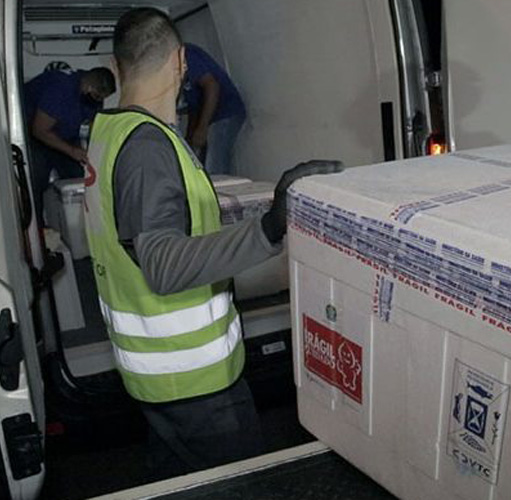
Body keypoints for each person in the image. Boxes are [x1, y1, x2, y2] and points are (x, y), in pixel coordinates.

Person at [84, 8, 342, 477]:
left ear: (116, 67)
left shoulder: (109, 133)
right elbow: (163, 265)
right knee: (240, 483)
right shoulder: (146, 147)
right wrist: (269, 227)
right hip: (193, 380)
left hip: (158, 373)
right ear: (181, 61)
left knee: (178, 480)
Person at [24, 66, 115, 223]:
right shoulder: (61, 89)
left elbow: (92, 125)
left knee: (80, 178)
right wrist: (72, 151)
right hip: (35, 136)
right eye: (97, 96)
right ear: (89, 87)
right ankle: (38, 228)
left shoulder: (91, 97)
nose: (99, 100)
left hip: (63, 135)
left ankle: (80, 225)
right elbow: (39, 130)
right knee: (35, 181)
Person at [181, 43, 247, 176]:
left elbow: (212, 86)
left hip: (226, 112)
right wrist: (189, 140)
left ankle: (217, 185)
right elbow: (194, 107)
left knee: (214, 165)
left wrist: (202, 128)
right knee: (200, 163)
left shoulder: (187, 55)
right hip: (210, 117)